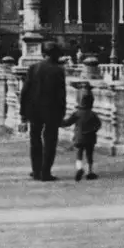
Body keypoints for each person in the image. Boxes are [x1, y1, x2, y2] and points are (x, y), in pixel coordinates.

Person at [18, 43, 66, 181]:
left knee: (35, 141)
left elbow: (25, 91)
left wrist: (23, 111)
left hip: (34, 110)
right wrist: (62, 113)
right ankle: (45, 172)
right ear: (56, 54)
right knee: (50, 141)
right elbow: (61, 95)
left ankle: (36, 170)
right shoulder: (58, 70)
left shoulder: (33, 68)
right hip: (52, 111)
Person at [61, 87, 102, 180]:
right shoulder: (93, 114)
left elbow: (67, 122)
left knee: (79, 154)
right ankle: (89, 172)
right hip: (90, 138)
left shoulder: (77, 113)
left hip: (79, 138)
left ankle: (79, 168)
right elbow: (98, 125)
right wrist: (92, 130)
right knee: (89, 155)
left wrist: (59, 123)